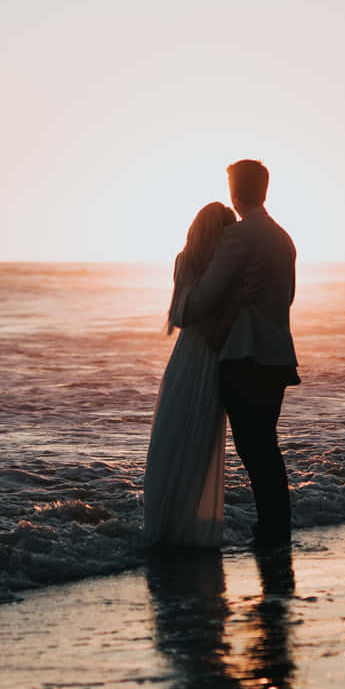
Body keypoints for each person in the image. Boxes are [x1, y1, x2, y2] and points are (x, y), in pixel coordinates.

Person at [181, 159, 299, 548]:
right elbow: (289, 298)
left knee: (254, 449)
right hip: (279, 356)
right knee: (266, 446)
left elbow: (202, 300)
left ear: (235, 192)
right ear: (264, 190)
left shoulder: (240, 236)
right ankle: (275, 528)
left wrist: (189, 300)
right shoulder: (283, 238)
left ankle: (271, 532)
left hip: (244, 357)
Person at [143, 200, 237, 547]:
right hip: (207, 357)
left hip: (191, 356)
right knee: (194, 440)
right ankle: (180, 525)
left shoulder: (205, 262)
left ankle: (168, 524)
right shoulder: (208, 265)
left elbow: (179, 315)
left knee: (177, 437)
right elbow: (182, 314)